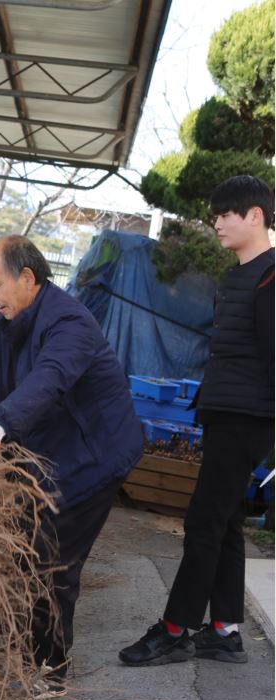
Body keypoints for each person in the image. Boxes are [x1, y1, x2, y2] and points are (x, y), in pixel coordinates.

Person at [0, 235, 143, 694]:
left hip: (95, 456)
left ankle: (51, 671)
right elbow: (0, 393)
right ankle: (24, 655)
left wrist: (0, 428)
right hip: (57, 452)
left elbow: (49, 381)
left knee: (51, 560)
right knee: (22, 548)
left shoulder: (69, 323)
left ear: (27, 278)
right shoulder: (11, 325)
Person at [119, 176, 274, 667]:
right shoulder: (237, 277)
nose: (217, 222)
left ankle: (175, 627)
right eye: (215, 214)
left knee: (203, 520)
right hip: (224, 410)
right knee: (225, 519)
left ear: (255, 216)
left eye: (227, 213)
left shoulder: (272, 278)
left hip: (249, 416)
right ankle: (224, 631)